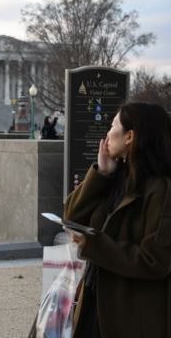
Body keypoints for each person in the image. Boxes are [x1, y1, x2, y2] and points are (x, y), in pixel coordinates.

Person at [64, 102, 171, 337]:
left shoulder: (161, 190)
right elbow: (71, 216)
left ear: (130, 136)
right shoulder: (114, 177)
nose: (107, 134)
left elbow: (155, 260)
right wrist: (99, 175)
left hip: (128, 312)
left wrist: (94, 245)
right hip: (94, 298)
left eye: (113, 126)